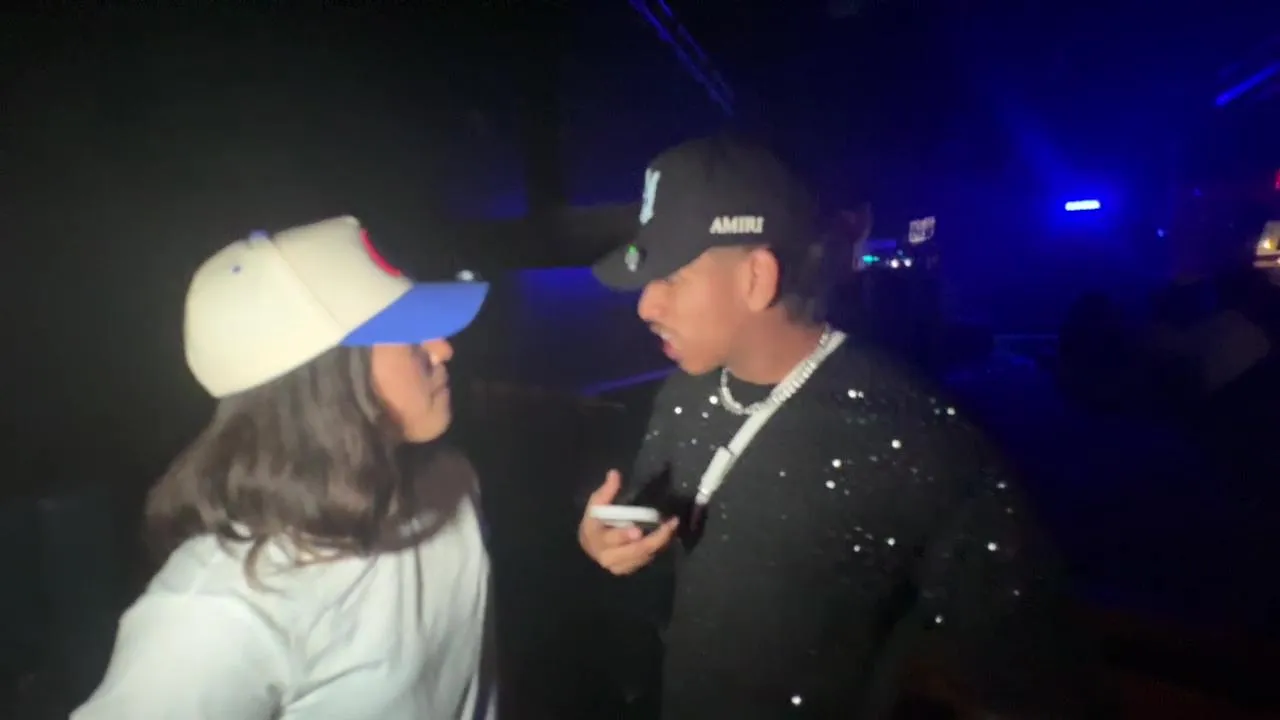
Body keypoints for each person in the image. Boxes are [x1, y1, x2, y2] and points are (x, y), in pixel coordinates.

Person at [578, 136, 1104, 719]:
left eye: (672, 276)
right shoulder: (683, 392)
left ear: (757, 277)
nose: (645, 305)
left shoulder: (912, 435)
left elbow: (1025, 665)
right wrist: (615, 536)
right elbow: (660, 517)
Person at [73, 216, 496, 720]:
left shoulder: (450, 484)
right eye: (408, 335)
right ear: (325, 380)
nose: (443, 348)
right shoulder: (220, 610)